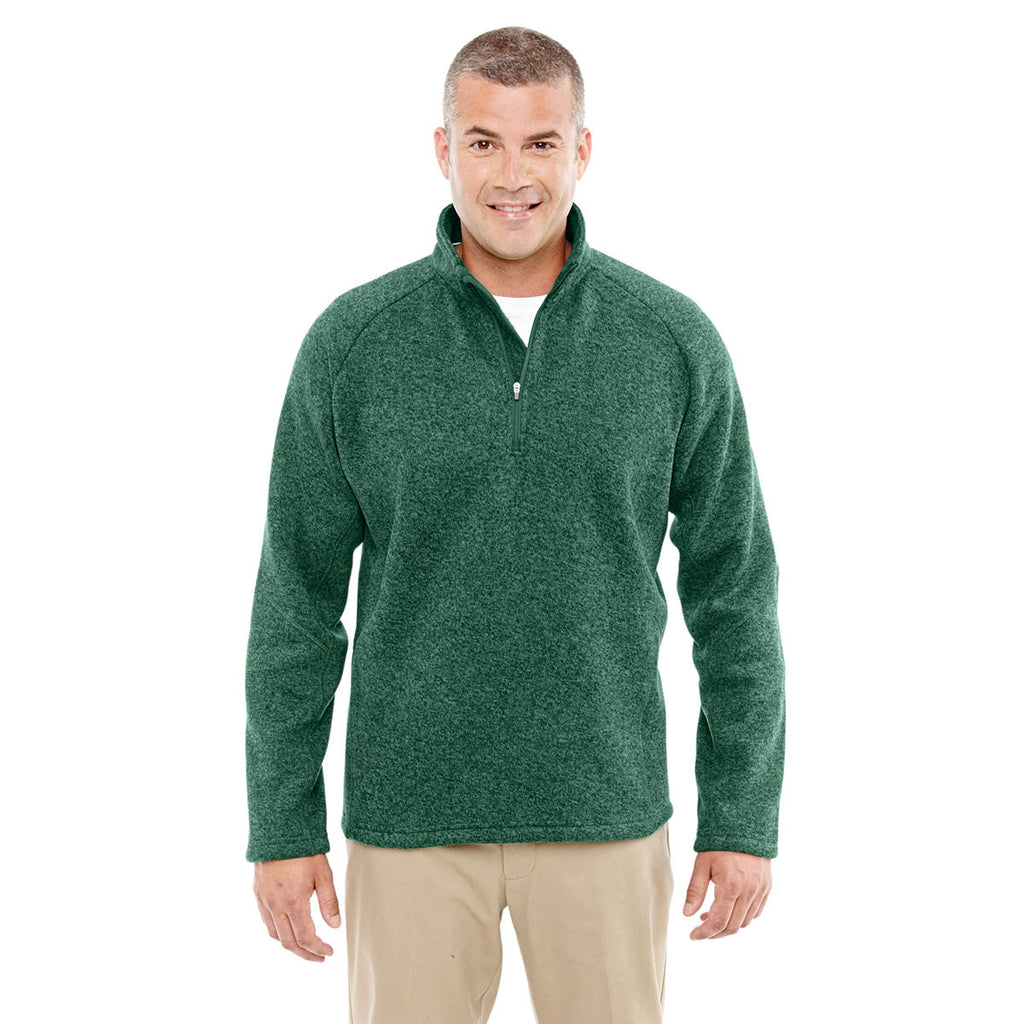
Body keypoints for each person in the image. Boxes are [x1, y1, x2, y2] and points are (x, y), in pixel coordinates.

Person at [245, 25, 786, 1024]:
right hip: (409, 820)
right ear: (441, 150)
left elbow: (735, 591)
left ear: (583, 150)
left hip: (606, 811)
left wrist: (742, 815)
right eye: (483, 141)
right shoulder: (354, 344)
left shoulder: (670, 342)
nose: (511, 176)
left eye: (540, 143)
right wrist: (282, 822)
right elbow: (296, 603)